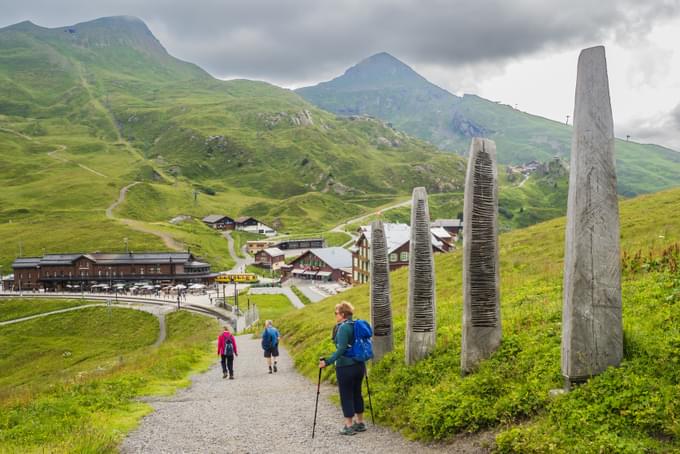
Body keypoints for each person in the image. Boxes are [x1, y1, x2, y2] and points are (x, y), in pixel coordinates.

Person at [319, 301, 366, 436]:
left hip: (345, 366)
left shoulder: (343, 328)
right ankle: (360, 422)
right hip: (359, 365)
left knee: (346, 395)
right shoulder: (356, 324)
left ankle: (349, 425)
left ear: (343, 314)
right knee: (357, 392)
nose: (335, 315)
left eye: (336, 313)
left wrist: (327, 362)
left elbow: (341, 349)